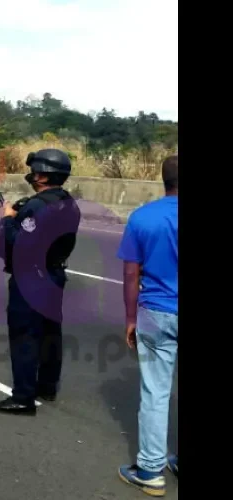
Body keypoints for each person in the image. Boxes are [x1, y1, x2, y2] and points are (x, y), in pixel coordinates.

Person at [0, 148, 81, 415]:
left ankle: (23, 397)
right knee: (50, 332)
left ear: (41, 175)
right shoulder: (68, 202)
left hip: (31, 276)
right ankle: (47, 386)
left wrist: (7, 220)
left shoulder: (37, 205)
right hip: (54, 273)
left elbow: (16, 244)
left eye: (34, 171)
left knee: (25, 336)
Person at [116, 156, 178, 497]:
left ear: (163, 180)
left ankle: (151, 470)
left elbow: (130, 274)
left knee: (156, 393)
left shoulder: (143, 217)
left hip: (156, 311)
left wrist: (130, 316)